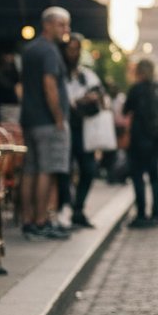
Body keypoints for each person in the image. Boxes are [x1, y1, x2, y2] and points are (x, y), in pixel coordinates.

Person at [19, 7, 73, 241]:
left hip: (29, 120)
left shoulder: (29, 50)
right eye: (62, 24)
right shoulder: (50, 51)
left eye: (67, 25)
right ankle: (41, 221)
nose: (66, 30)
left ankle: (27, 221)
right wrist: (59, 118)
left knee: (30, 170)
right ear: (47, 25)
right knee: (47, 171)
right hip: (48, 122)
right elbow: (49, 85)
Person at [58, 33, 104, 229]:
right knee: (64, 171)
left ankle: (78, 209)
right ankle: (64, 207)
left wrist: (93, 98)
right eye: (70, 49)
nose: (74, 53)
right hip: (64, 128)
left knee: (89, 169)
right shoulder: (58, 74)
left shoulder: (87, 75)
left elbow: (101, 96)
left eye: (77, 49)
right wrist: (77, 101)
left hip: (85, 130)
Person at [123, 58, 158, 228]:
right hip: (155, 140)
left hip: (139, 140)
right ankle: (157, 215)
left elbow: (125, 110)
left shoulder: (136, 89)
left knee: (138, 177)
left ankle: (141, 215)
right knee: (154, 177)